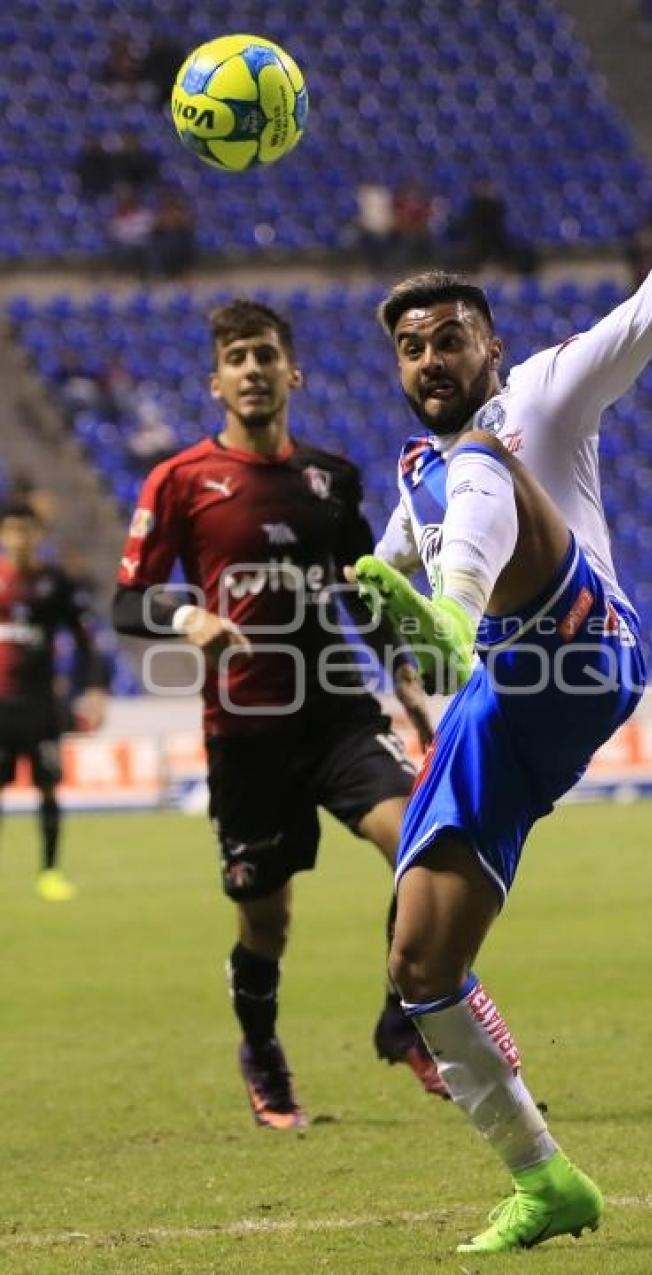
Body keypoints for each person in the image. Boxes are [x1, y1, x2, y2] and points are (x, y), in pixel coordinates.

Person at [349, 90, 652, 1253]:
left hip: (587, 647)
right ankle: (545, 1181)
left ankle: (450, 622)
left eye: (450, 338)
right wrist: (336, 601)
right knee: (420, 960)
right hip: (502, 703)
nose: (432, 357)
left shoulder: (533, 396)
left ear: (490, 342)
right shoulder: (419, 477)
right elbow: (373, 569)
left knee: (467, 465)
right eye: (412, 346)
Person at [112, 298, 445, 1131]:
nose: (253, 370)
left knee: (428, 849)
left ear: (291, 372)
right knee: (268, 919)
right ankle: (261, 1050)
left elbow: (363, 589)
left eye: (266, 355)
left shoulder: (331, 478)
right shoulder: (183, 480)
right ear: (216, 381)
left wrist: (403, 673)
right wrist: (187, 616)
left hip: (336, 711)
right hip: (247, 730)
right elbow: (127, 601)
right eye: (237, 358)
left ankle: (404, 1019)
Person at [0, 503, 108, 900]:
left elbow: (86, 640)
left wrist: (95, 687)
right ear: (2, 535)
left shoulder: (55, 582)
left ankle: (50, 872)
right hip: (0, 705)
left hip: (40, 704)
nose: (20, 539)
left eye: (27, 531)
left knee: (48, 789)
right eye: (12, 531)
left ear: (39, 535)